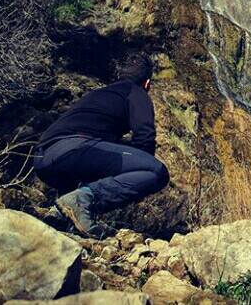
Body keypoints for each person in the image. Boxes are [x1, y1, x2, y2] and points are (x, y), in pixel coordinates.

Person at [34, 52, 169, 237]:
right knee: (156, 171)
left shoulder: (98, 94)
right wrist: (135, 178)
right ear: (147, 83)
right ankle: (81, 201)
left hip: (43, 159)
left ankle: (59, 215)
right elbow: (145, 136)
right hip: (75, 149)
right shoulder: (136, 92)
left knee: (98, 156)